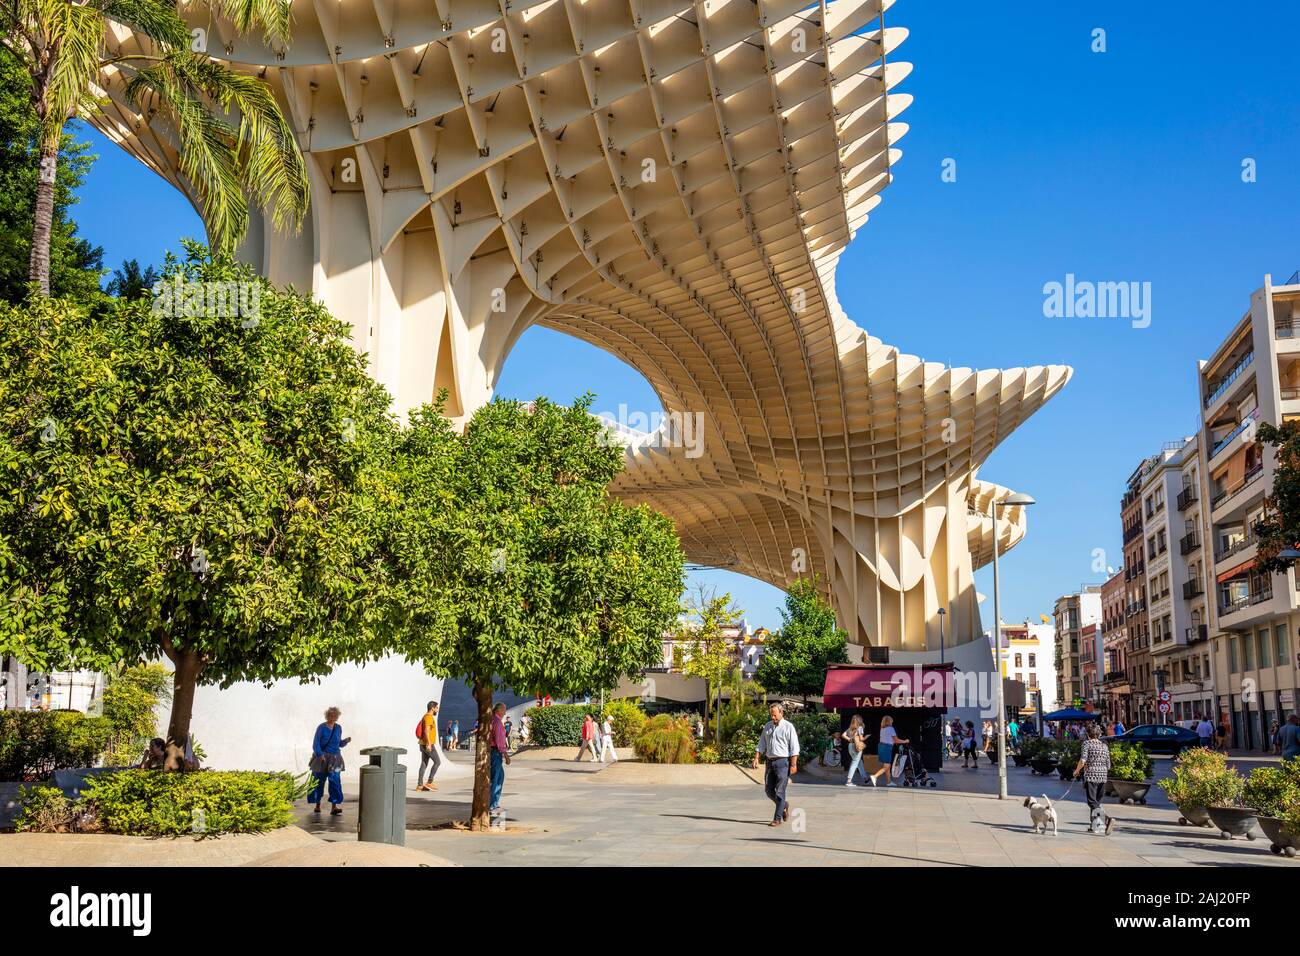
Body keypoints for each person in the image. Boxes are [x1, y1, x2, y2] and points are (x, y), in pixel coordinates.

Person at [751, 703, 800, 827]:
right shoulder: (767, 726)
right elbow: (762, 743)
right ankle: (784, 805)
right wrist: (756, 757)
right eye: (771, 715)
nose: (772, 717)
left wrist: (793, 764)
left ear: (781, 713)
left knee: (780, 791)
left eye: (774, 715)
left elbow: (794, 748)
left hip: (783, 763)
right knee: (768, 790)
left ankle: (777, 818)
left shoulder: (789, 727)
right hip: (770, 762)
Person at [308, 706, 351, 815]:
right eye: (331, 715)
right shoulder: (321, 727)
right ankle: (317, 805)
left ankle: (334, 807)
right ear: (327, 716)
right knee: (318, 781)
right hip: (322, 758)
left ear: (337, 716)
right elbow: (316, 743)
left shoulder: (338, 728)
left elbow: (338, 743)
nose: (333, 717)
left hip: (335, 759)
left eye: (335, 715)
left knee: (335, 782)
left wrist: (345, 741)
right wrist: (320, 754)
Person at [1074, 723, 1114, 835]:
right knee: (1097, 802)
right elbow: (1108, 765)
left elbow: (1082, 760)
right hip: (1103, 776)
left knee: (1092, 802)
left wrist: (1076, 771)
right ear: (1099, 734)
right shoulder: (1104, 746)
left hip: (1091, 775)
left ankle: (1107, 819)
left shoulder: (1086, 743)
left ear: (1087, 734)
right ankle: (1095, 826)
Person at [869, 715, 908, 787]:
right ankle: (875, 776)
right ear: (889, 721)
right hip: (887, 747)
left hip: (881, 746)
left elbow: (891, 739)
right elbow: (896, 740)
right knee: (887, 766)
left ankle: (888, 782)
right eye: (891, 720)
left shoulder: (882, 729)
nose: (892, 722)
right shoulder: (891, 728)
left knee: (887, 765)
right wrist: (905, 741)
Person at [489, 702, 511, 819]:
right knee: (496, 778)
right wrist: (506, 755)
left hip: (494, 752)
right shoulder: (497, 722)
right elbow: (499, 740)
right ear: (499, 710)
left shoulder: (493, 720)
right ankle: (492, 804)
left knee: (500, 777)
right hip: (496, 752)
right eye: (504, 710)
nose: (505, 713)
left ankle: (494, 802)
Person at [417, 700, 441, 792]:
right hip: (428, 744)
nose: (437, 710)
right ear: (432, 708)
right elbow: (426, 731)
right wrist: (429, 743)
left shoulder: (426, 717)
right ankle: (429, 782)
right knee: (437, 762)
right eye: (437, 708)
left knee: (424, 764)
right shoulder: (429, 717)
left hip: (423, 744)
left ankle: (419, 785)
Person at [842, 714, 870, 786]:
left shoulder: (850, 728)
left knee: (859, 762)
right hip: (857, 747)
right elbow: (861, 739)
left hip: (850, 746)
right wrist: (866, 737)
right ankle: (849, 781)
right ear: (860, 720)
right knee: (855, 762)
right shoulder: (860, 728)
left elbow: (843, 735)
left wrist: (850, 739)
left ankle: (865, 779)